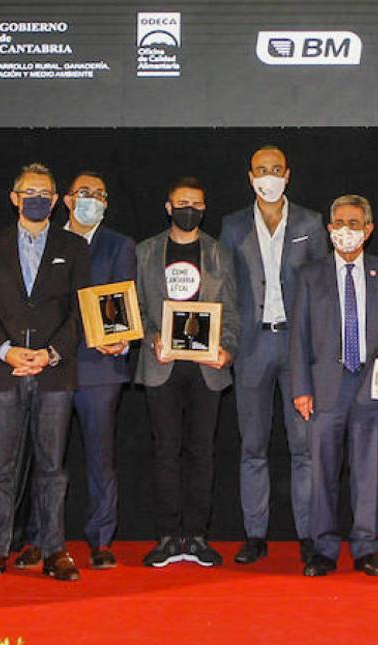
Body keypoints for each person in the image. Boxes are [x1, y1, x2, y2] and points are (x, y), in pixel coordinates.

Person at [0, 163, 91, 582]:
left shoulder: (73, 247)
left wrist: (51, 353)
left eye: (45, 192)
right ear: (14, 197)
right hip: (5, 370)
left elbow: (82, 310)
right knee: (0, 466)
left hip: (53, 372)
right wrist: (6, 352)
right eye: (29, 192)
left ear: (56, 200)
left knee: (52, 466)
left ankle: (54, 548)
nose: (37, 198)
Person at [290, 194, 378, 577]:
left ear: (368, 230)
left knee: (366, 471)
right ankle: (323, 548)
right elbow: (299, 338)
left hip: (371, 387)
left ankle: (365, 549)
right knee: (322, 471)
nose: (346, 230)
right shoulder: (310, 275)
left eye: (354, 224)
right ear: (328, 229)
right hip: (325, 386)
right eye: (339, 223)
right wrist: (300, 388)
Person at [219, 145, 330, 565]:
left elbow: (323, 290)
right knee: (252, 445)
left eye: (275, 169)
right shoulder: (232, 226)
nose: (268, 176)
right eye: (261, 170)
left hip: (297, 345)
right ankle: (255, 534)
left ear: (288, 174)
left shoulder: (310, 222)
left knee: (303, 446)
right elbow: (226, 290)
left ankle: (307, 534)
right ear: (250, 177)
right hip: (251, 346)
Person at [136, 177, 239, 568]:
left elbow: (232, 311)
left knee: (202, 452)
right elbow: (138, 309)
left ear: (204, 208)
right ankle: (166, 536)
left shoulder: (219, 253)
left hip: (205, 368)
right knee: (164, 451)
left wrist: (226, 351)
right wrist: (152, 338)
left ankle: (196, 535)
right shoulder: (145, 251)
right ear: (168, 207)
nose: (188, 209)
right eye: (181, 203)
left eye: (195, 203)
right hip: (161, 363)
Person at [62, 171, 135, 570]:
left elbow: (123, 300)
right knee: (46, 460)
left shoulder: (119, 245)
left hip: (100, 367)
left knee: (100, 458)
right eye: (85, 193)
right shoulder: (46, 241)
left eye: (100, 194)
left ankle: (101, 539)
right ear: (68, 200)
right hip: (52, 364)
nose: (92, 199)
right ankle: (42, 539)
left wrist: (121, 338)